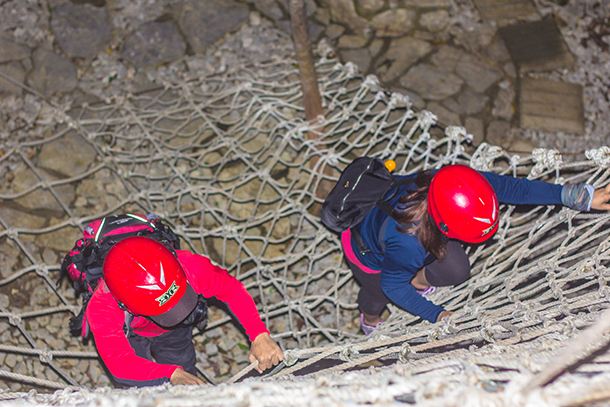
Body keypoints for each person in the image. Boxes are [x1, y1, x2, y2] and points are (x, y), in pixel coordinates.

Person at [342, 164, 610, 335]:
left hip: (417, 227)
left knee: (457, 269)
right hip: (366, 251)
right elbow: (392, 286)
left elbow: (517, 189)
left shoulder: (459, 182)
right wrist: (436, 314)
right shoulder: (408, 243)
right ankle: (369, 318)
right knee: (377, 292)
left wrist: (579, 197)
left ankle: (417, 279)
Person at [86, 235, 284, 387]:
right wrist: (171, 374)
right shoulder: (103, 307)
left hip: (174, 332)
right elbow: (120, 363)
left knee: (183, 363)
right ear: (125, 305)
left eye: (178, 298)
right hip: (132, 332)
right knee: (135, 385)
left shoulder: (191, 266)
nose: (175, 311)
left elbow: (231, 290)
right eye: (164, 309)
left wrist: (259, 335)